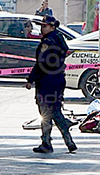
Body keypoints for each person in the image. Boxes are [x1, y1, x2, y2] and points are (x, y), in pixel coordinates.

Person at [26, 15, 77, 154]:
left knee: (45, 112)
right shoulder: (60, 39)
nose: (42, 28)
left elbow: (41, 63)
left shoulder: (47, 42)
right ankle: (68, 140)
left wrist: (31, 79)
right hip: (59, 79)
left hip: (46, 81)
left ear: (52, 27)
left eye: (44, 26)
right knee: (55, 110)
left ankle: (46, 143)